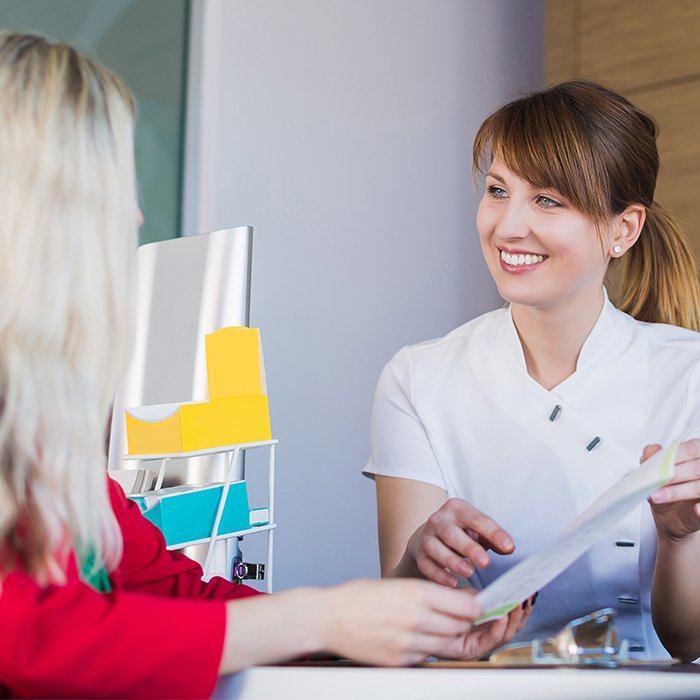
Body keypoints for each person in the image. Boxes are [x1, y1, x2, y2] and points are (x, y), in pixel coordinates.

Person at [0, 32, 535, 699]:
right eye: (114, 184)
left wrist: (379, 629)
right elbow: (35, 637)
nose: (135, 211)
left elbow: (175, 596)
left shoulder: (52, 449)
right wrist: (324, 618)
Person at [365, 80, 700, 662]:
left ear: (623, 230)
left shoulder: (688, 374)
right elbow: (400, 631)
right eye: (498, 190)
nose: (507, 226)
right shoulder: (418, 379)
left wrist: (681, 536)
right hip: (481, 688)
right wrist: (421, 555)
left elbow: (689, 639)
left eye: (547, 200)